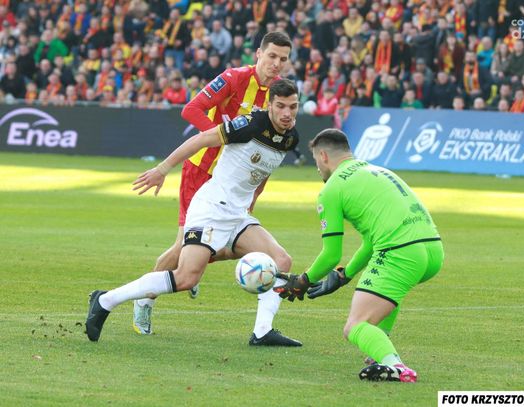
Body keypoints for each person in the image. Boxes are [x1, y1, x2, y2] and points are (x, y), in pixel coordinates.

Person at [86, 79, 303, 347]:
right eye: (280, 106)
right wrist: (162, 169)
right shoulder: (250, 124)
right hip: (212, 208)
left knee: (281, 260)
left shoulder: (290, 137)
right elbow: (201, 138)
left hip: (238, 214)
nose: (286, 113)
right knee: (187, 277)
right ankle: (105, 300)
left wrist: (253, 202)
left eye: (292, 107)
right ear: (269, 105)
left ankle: (262, 332)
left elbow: (262, 174)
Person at [130, 31, 296, 347]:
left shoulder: (279, 96)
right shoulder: (234, 78)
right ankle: (145, 300)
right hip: (201, 172)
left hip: (236, 185)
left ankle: (193, 264)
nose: (276, 63)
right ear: (259, 54)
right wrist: (224, 138)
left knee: (228, 245)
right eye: (272, 56)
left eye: (283, 59)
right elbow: (191, 109)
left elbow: (269, 156)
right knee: (181, 245)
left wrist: (253, 198)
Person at [274, 129, 444, 382]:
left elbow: (331, 254)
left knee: (354, 326)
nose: (317, 168)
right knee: (389, 292)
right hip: (433, 251)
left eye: (316, 160)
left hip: (401, 252)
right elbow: (371, 241)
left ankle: (396, 366)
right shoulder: (379, 171)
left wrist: (303, 280)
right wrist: (346, 274)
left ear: (323, 156)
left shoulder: (332, 189)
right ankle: (380, 351)